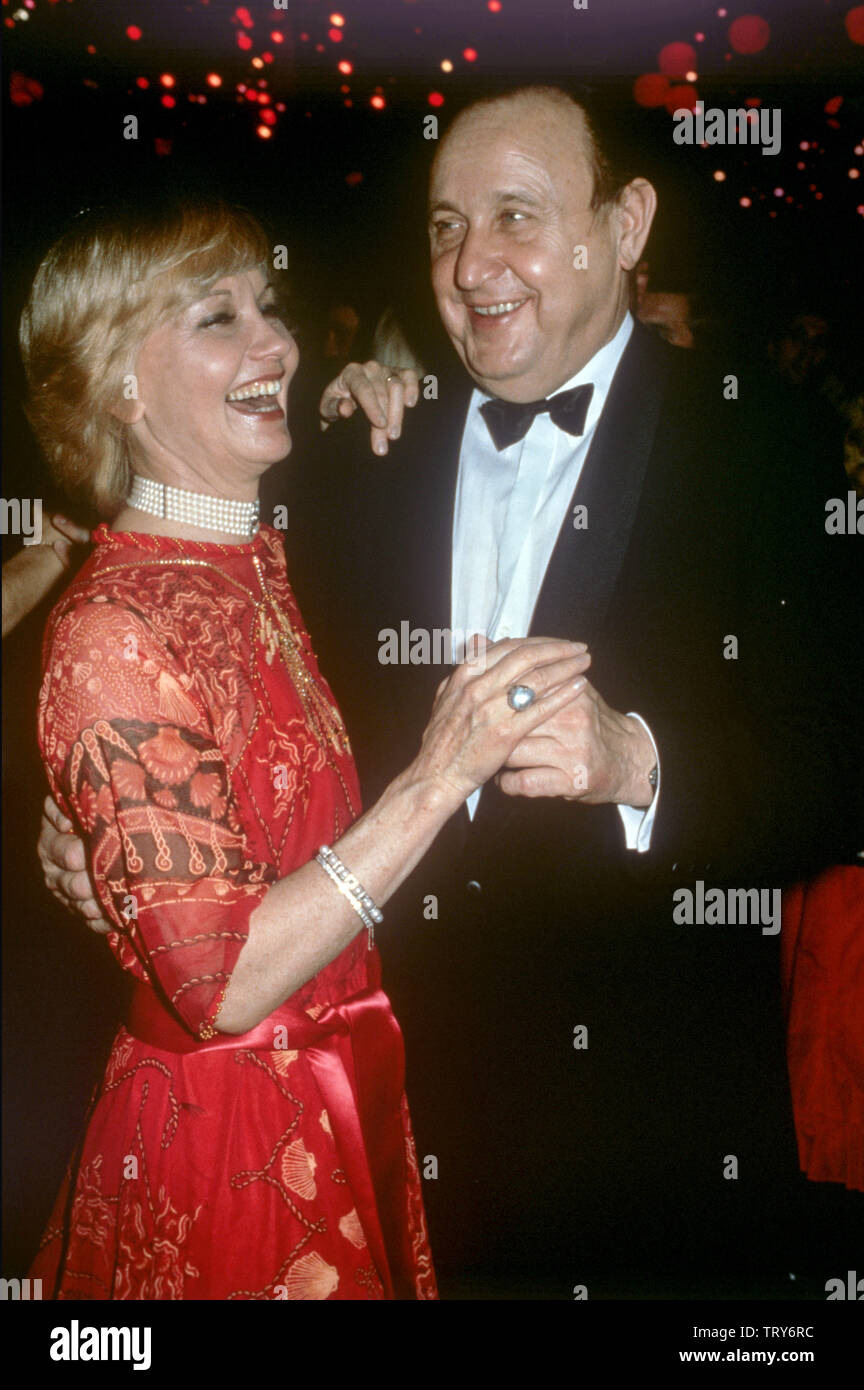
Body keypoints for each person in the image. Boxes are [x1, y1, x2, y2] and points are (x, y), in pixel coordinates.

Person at [43, 89, 862, 1295]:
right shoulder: (358, 453)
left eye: (515, 216)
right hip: (379, 1117)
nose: (472, 263)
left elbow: (840, 764)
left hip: (645, 1134)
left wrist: (641, 763)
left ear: (625, 225)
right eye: (442, 226)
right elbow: (186, 705)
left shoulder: (767, 442)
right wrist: (87, 829)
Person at [21, 195, 591, 1300]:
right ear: (119, 381)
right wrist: (440, 773)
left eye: (267, 307)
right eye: (216, 317)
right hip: (231, 1136)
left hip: (348, 1078)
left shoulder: (262, 549)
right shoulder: (112, 627)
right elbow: (224, 982)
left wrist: (121, 860)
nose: (274, 340)